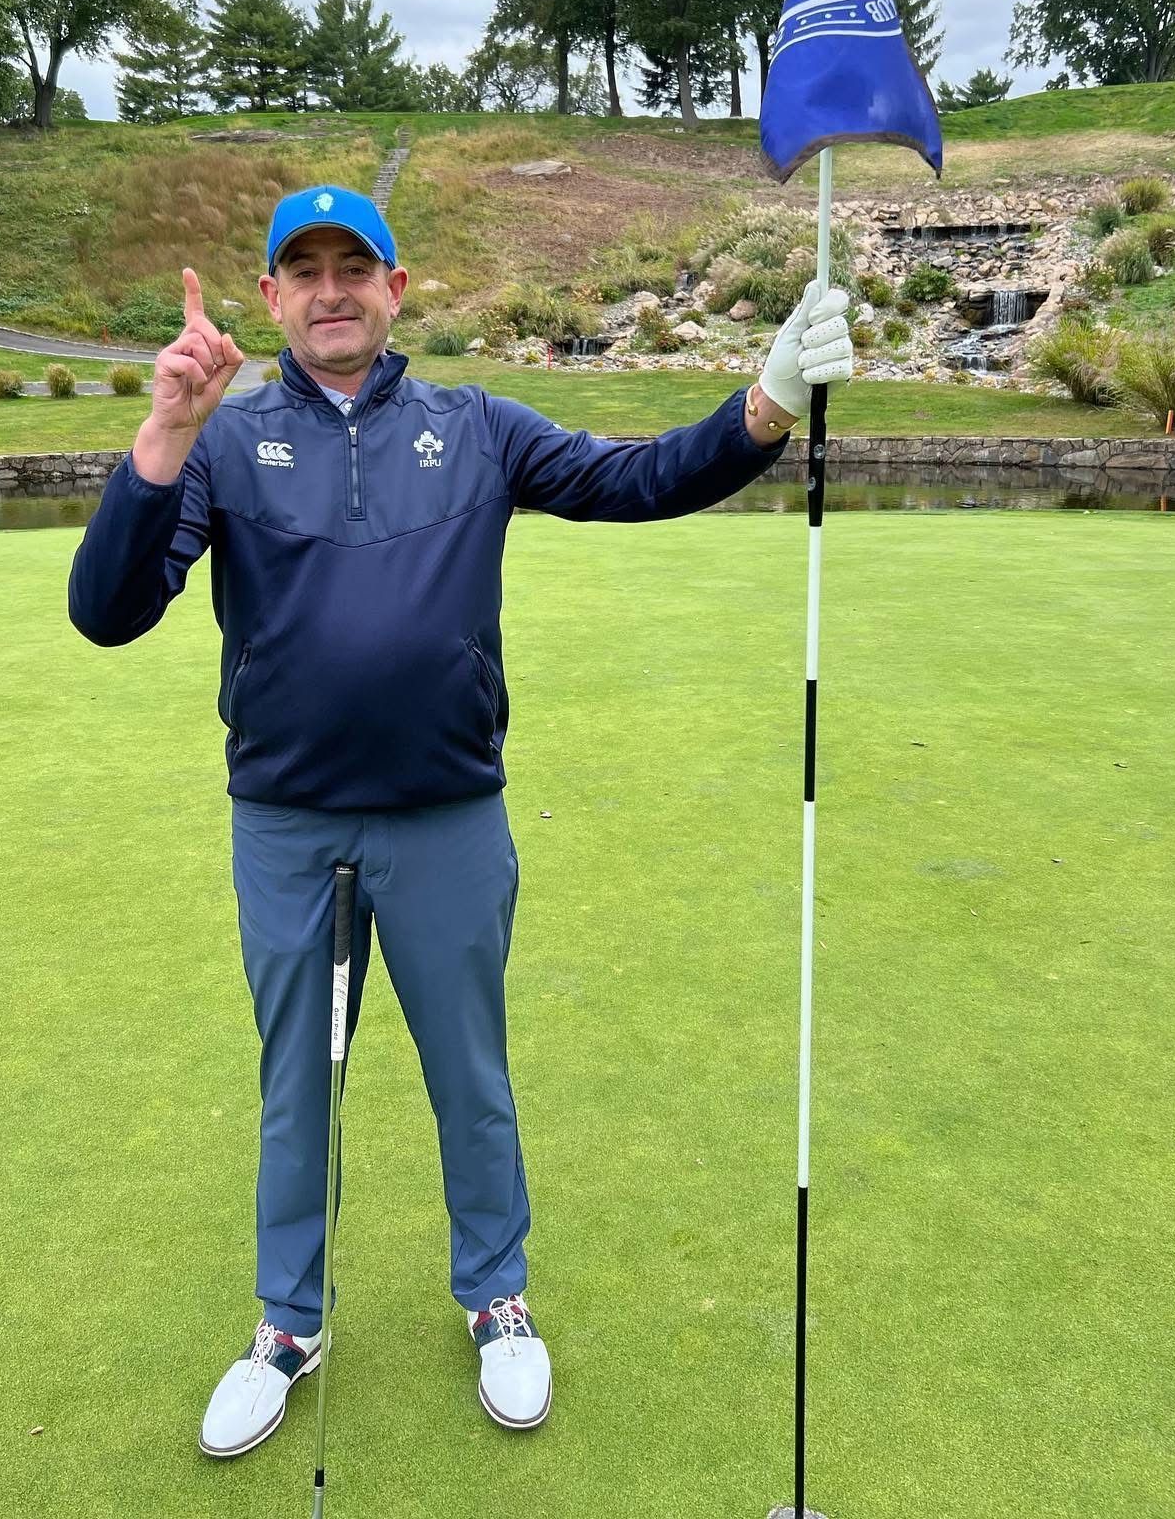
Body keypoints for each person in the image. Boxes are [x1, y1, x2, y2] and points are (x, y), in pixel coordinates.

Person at [67, 183, 851, 1459]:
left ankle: (497, 1298)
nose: (331, 291)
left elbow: (634, 480)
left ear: (397, 287)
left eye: (354, 267)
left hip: (446, 821)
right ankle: (288, 1324)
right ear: (269, 298)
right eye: (303, 270)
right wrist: (162, 432)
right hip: (288, 829)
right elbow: (107, 611)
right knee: (295, 1084)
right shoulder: (223, 437)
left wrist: (766, 403)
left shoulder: (477, 427)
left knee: (469, 1074)